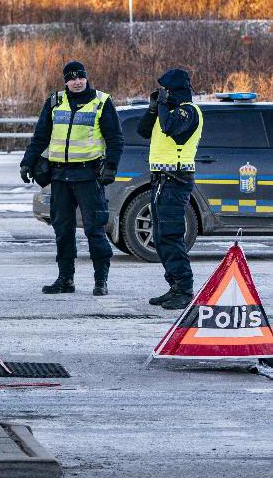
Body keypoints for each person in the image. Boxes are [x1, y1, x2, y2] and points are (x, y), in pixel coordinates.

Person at [21, 61, 123, 296]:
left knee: (94, 230)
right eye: (72, 78)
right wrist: (27, 161)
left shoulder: (101, 102)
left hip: (88, 176)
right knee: (63, 231)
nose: (77, 82)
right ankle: (65, 280)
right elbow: (40, 137)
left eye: (81, 77)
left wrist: (111, 168)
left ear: (86, 78)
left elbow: (116, 140)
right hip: (60, 177)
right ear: (65, 81)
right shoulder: (55, 101)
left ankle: (101, 281)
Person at [137, 68, 203, 311]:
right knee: (161, 236)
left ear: (175, 90)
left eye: (166, 90)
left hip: (176, 179)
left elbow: (169, 128)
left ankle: (185, 289)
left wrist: (164, 106)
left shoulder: (189, 112)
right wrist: (153, 107)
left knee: (172, 235)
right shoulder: (167, 111)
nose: (163, 94)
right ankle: (174, 285)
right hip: (160, 180)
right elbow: (144, 130)